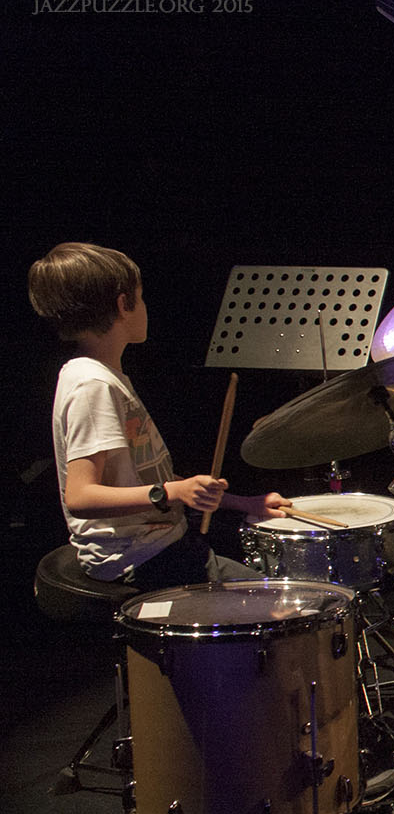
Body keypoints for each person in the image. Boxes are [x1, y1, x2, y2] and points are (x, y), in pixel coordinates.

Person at [30, 242, 287, 590]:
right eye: (141, 297)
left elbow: (144, 479)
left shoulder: (103, 377)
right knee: (280, 602)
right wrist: (172, 491)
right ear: (123, 304)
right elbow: (81, 497)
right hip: (138, 559)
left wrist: (243, 503)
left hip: (158, 546)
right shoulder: (92, 385)